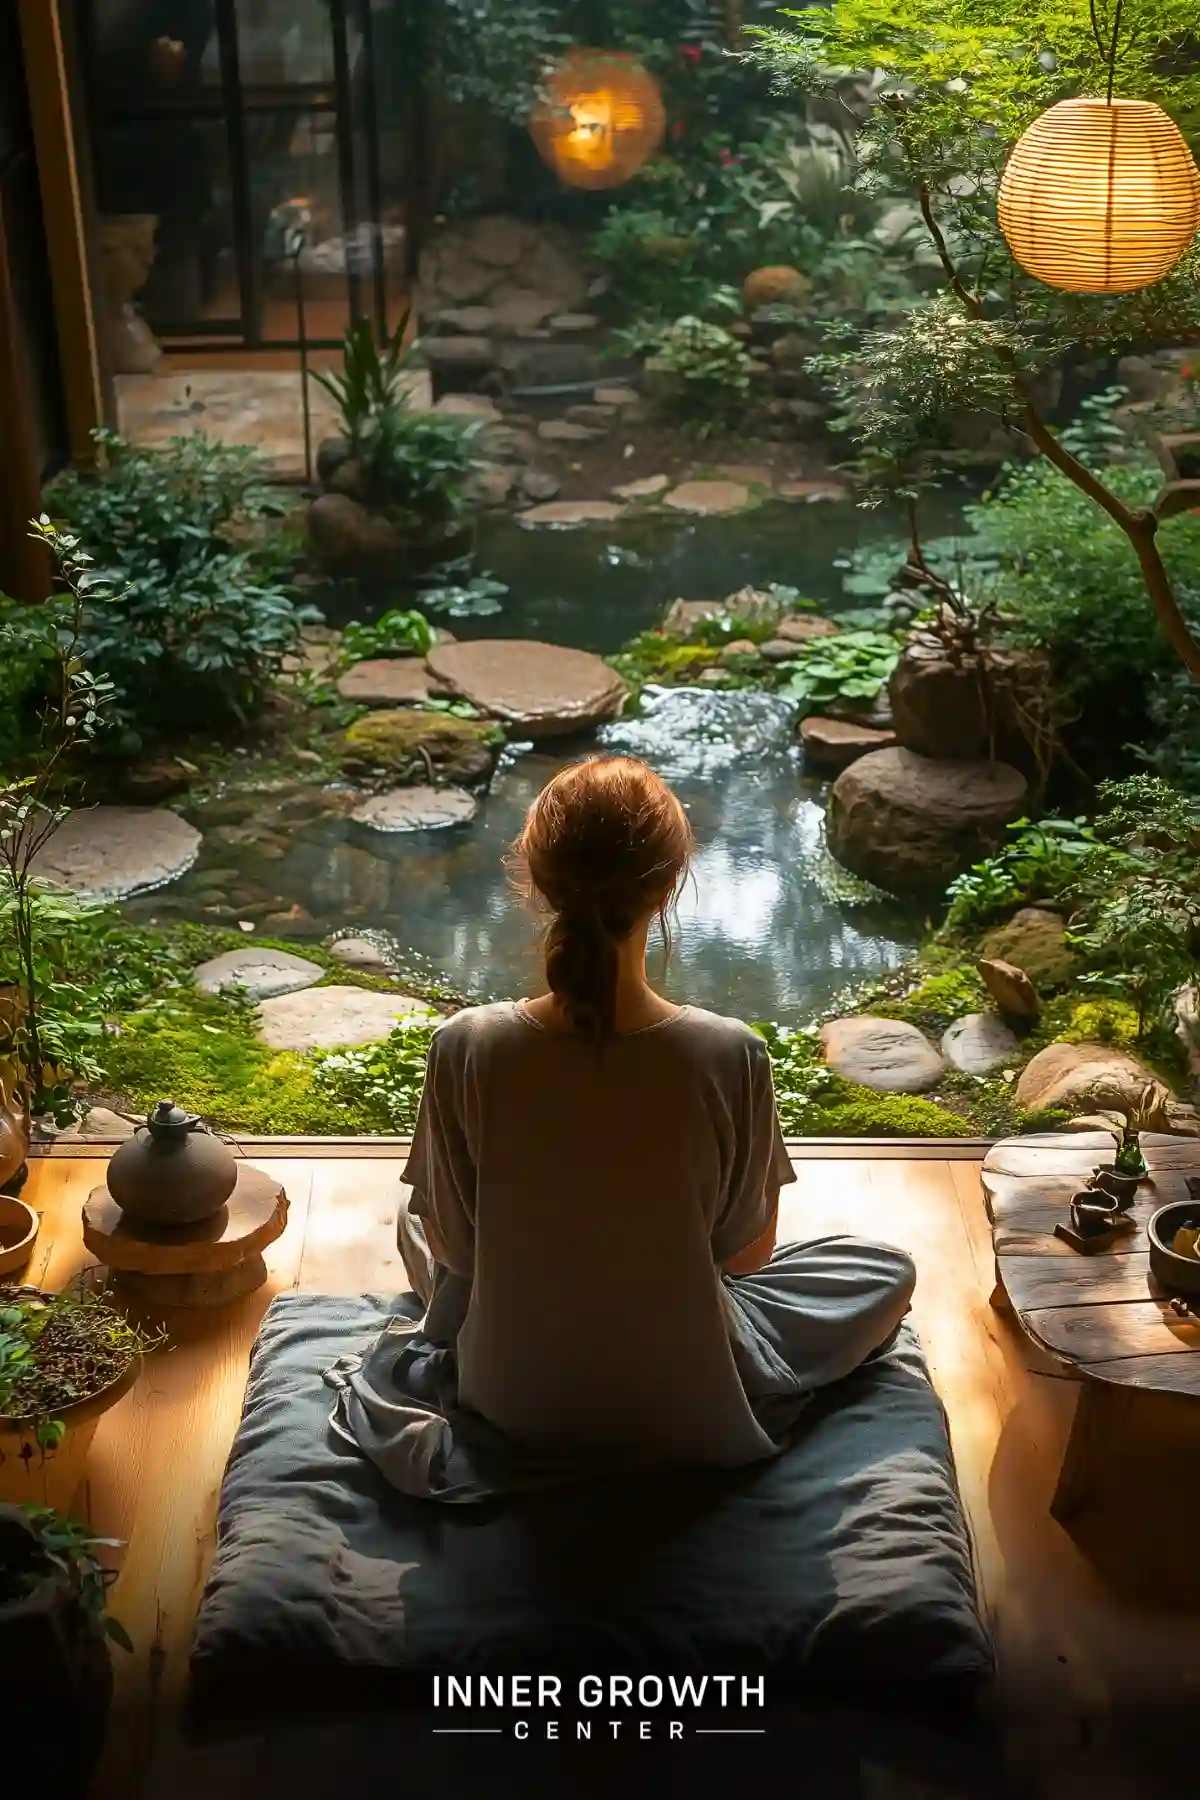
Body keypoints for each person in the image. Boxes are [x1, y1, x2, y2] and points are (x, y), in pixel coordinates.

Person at [326, 756, 915, 1502]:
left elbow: (457, 1250)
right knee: (879, 1269)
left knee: (417, 1226)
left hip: (513, 1397)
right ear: (669, 886)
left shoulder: (466, 1045)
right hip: (687, 1394)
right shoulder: (729, 1053)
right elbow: (745, 1257)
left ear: (538, 883)